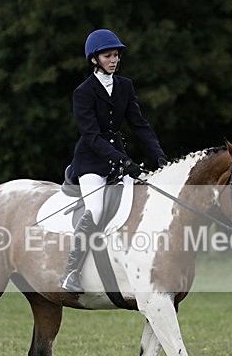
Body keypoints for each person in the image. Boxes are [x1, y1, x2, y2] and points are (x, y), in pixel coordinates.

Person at [60, 29, 168, 294]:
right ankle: (71, 271)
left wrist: (159, 156)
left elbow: (139, 125)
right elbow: (91, 136)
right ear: (94, 59)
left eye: (116, 55)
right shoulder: (83, 92)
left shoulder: (125, 86)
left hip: (119, 160)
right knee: (96, 209)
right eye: (108, 55)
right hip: (91, 163)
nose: (114, 60)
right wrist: (123, 162)